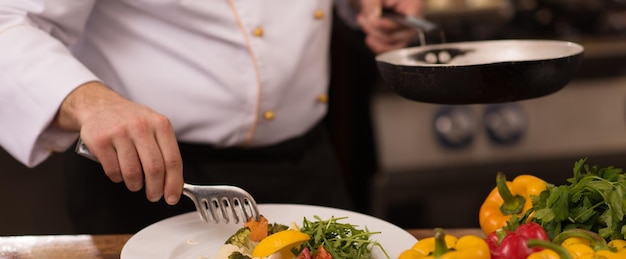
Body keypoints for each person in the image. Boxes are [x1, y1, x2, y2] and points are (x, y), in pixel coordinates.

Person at [0, 1, 423, 234]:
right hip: (155, 180)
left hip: (308, 166)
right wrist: (89, 101)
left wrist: (371, 7)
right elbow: (10, 20)